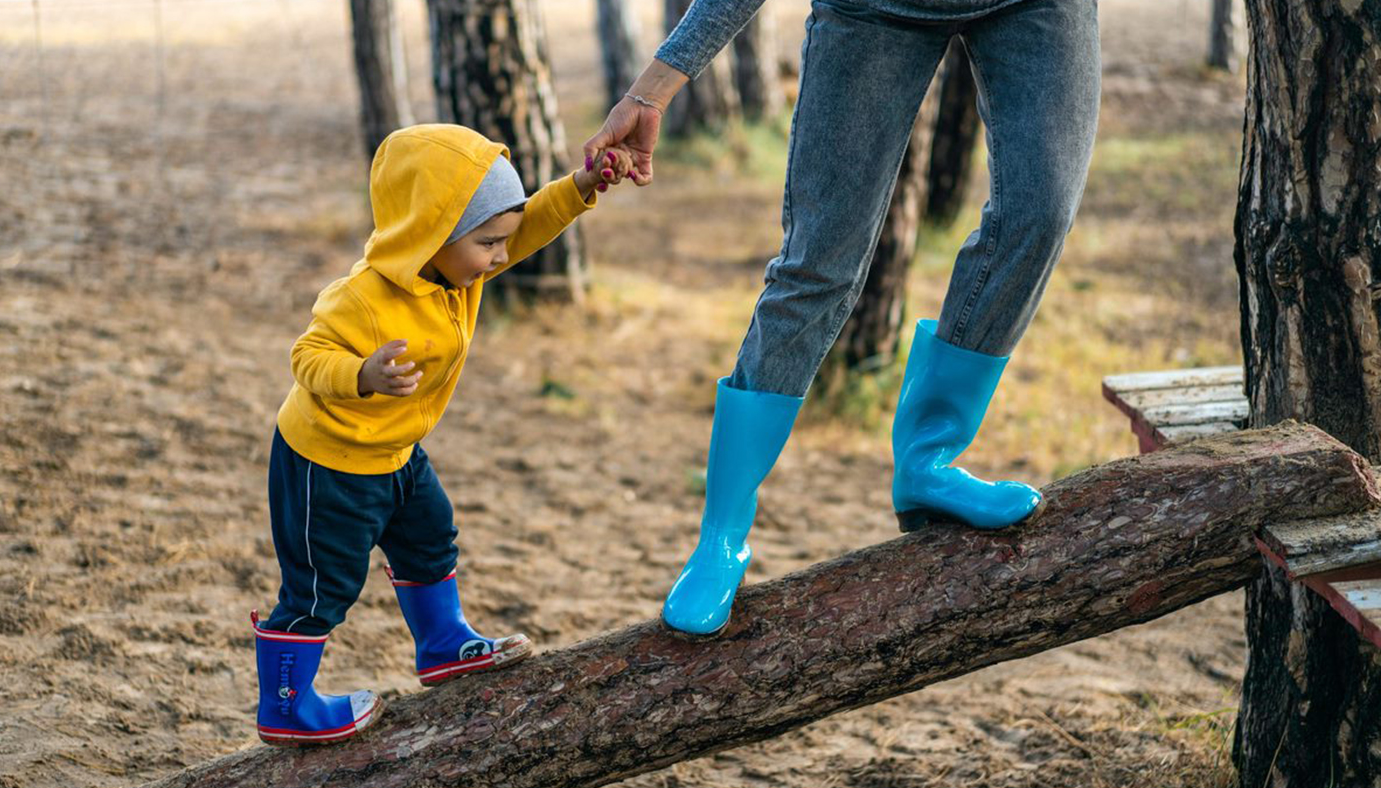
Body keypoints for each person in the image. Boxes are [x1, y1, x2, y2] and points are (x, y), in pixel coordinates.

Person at [584, 0, 1101, 636]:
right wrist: (655, 88)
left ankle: (928, 462)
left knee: (1039, 217)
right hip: (872, 12)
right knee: (818, 267)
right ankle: (722, 539)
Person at [251, 123, 633, 746]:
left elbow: (527, 225)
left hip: (397, 452)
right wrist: (362, 374)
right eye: (488, 243)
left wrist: (582, 185)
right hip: (330, 462)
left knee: (431, 537)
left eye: (500, 242)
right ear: (432, 234)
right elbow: (306, 356)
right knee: (324, 586)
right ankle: (286, 704)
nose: (501, 256)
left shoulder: (461, 269)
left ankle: (443, 644)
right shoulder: (364, 298)